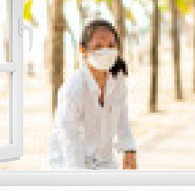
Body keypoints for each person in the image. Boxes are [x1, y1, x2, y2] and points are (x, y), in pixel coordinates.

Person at [46, 18, 137, 170]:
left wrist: (129, 149)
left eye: (111, 45)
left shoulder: (118, 80)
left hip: (104, 163)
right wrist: (80, 181)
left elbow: (122, 117)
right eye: (98, 46)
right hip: (67, 165)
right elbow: (69, 140)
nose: (106, 50)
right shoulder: (73, 89)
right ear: (83, 51)